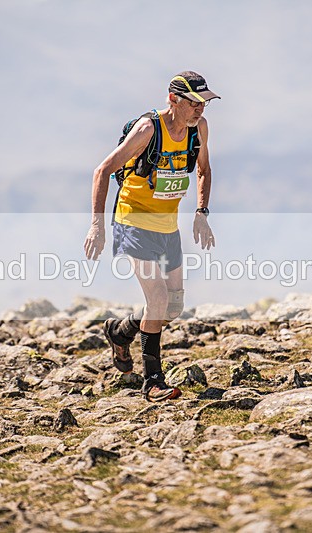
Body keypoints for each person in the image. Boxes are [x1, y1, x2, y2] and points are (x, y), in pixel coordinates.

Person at [83, 71, 219, 402]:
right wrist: (97, 225)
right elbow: (102, 170)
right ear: (174, 100)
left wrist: (201, 213)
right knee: (157, 300)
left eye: (204, 102)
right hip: (133, 222)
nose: (200, 109)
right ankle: (153, 382)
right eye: (194, 102)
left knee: (171, 308)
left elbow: (203, 169)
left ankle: (120, 331)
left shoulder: (198, 130)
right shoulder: (149, 130)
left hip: (167, 227)